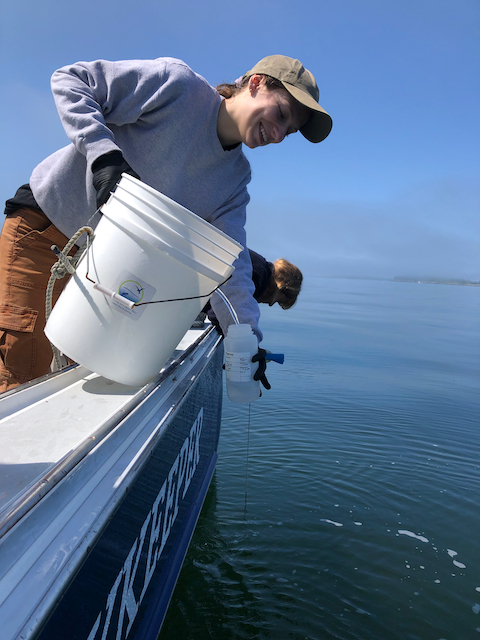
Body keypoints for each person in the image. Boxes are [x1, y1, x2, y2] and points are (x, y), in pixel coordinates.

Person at [0, 54, 332, 393]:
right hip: (44, 230)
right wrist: (103, 155)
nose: (277, 134)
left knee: (70, 375)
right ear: (257, 83)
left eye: (287, 132)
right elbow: (72, 79)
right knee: (23, 375)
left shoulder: (235, 181)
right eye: (281, 115)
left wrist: (246, 342)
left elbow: (231, 268)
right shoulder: (178, 87)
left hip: (101, 267)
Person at [201, 249, 303, 333]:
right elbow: (220, 312)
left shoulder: (259, 265)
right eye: (278, 301)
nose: (271, 304)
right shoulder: (257, 279)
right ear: (280, 287)